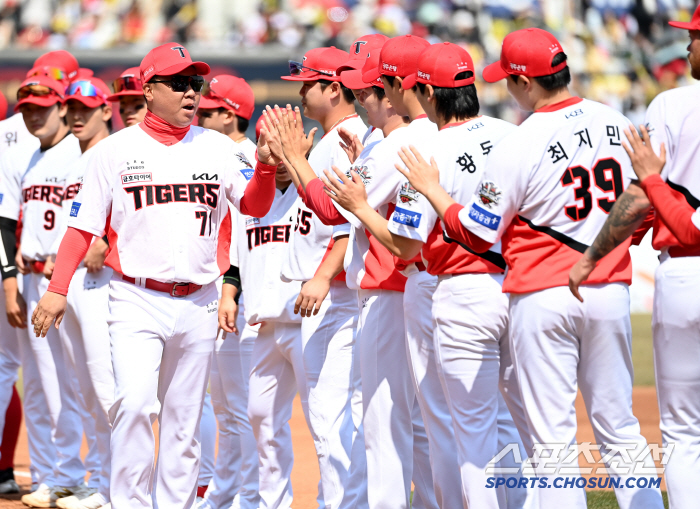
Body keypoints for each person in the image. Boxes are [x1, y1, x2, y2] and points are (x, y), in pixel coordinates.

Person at [414, 28, 662, 508]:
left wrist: (434, 192)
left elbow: (477, 233)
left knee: (552, 441)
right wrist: (610, 249)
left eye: (509, 79)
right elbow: (648, 202)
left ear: (525, 83)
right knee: (620, 427)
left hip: (542, 296)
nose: (507, 88)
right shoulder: (618, 120)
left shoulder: (521, 141)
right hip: (609, 290)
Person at [30, 42, 281, 509]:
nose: (191, 93)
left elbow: (253, 205)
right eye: (180, 83)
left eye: (196, 84)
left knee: (184, 425)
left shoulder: (217, 147)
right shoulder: (114, 151)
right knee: (135, 409)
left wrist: (264, 165)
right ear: (150, 90)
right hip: (135, 297)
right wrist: (56, 289)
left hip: (200, 300)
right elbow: (81, 227)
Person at [570, 7, 700, 508]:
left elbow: (644, 200)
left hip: (685, 274)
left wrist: (591, 256)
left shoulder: (670, 104)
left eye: (693, 38)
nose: (685, 49)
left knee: (685, 431)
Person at [274, 46, 371, 509]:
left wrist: (323, 275)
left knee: (332, 417)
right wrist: (292, 159)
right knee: (340, 416)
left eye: (308, 84)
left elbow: (347, 221)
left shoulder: (345, 137)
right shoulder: (336, 137)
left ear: (335, 88)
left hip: (336, 295)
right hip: (334, 293)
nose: (301, 92)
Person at [0, 74, 87, 507]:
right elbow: (8, 222)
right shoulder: (30, 158)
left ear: (61, 108)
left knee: (69, 384)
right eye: (27, 108)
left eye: (42, 107)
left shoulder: (80, 153)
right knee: (37, 385)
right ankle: (50, 474)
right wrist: (11, 279)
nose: (34, 114)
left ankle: (74, 474)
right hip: (32, 278)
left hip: (64, 282)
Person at [41, 77, 115, 509]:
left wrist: (106, 239)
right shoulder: (74, 159)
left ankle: (110, 485)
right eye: (72, 108)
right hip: (73, 282)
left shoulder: (114, 152)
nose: (77, 115)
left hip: (108, 283)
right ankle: (98, 479)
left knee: (106, 388)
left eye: (87, 108)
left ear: (106, 110)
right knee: (82, 389)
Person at [195, 76, 260, 509]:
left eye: (209, 110)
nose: (199, 115)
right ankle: (226, 494)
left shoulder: (249, 158)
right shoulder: (207, 151)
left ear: (231, 113)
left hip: (240, 291)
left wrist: (232, 289)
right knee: (224, 408)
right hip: (217, 288)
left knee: (243, 410)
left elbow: (245, 234)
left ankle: (246, 498)